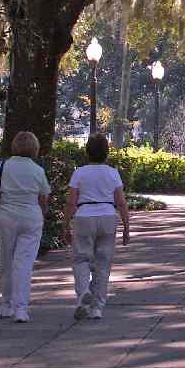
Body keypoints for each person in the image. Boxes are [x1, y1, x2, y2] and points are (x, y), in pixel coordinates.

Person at [0, 131, 51, 322]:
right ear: (35, 148)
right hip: (31, 218)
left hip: (5, 218)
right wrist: (42, 215)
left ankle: (6, 305)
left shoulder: (3, 166)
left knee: (6, 261)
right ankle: (21, 309)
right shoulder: (38, 170)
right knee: (24, 264)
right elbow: (43, 197)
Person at [62, 134, 130, 320]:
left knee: (81, 259)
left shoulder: (79, 173)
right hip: (108, 215)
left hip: (84, 216)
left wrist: (65, 224)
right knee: (103, 263)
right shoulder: (113, 173)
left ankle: (83, 292)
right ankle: (97, 308)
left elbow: (71, 202)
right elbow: (121, 202)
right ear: (107, 152)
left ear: (87, 152)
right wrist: (126, 226)